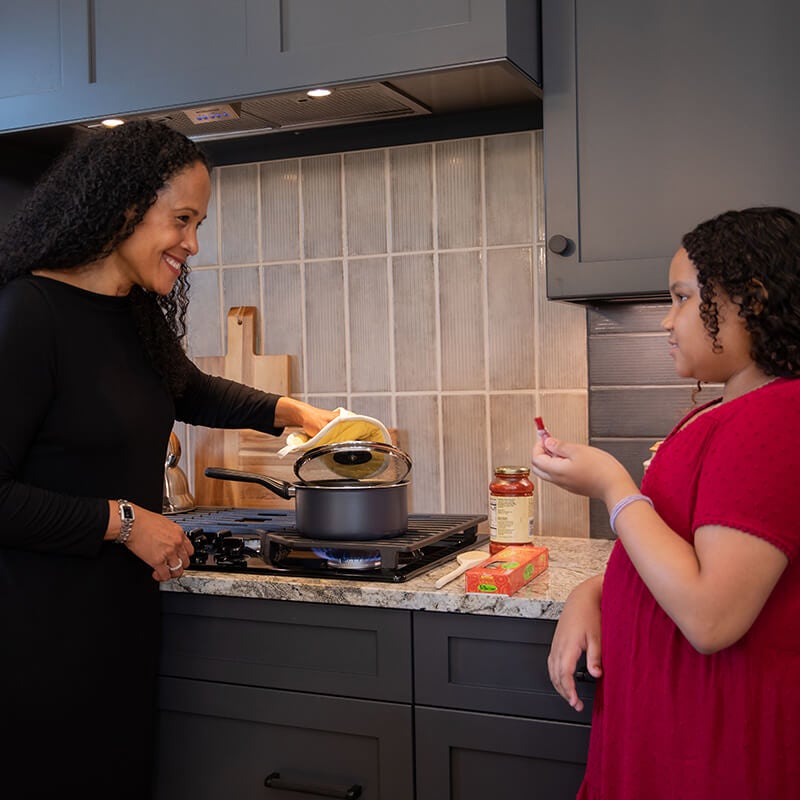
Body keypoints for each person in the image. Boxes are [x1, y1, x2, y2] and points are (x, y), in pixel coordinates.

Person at [0, 120, 337, 799]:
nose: (192, 243)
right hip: (33, 644)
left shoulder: (131, 315)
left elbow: (188, 389)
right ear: (124, 206)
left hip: (118, 625)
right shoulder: (26, 314)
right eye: (181, 220)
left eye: (198, 223)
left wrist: (298, 415)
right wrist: (125, 522)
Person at [531, 206, 800, 799]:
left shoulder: (777, 418)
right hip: (672, 725)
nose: (665, 321)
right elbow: (683, 555)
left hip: (714, 745)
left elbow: (711, 616)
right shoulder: (729, 413)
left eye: (681, 298)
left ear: (749, 301)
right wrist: (595, 590)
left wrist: (613, 486)